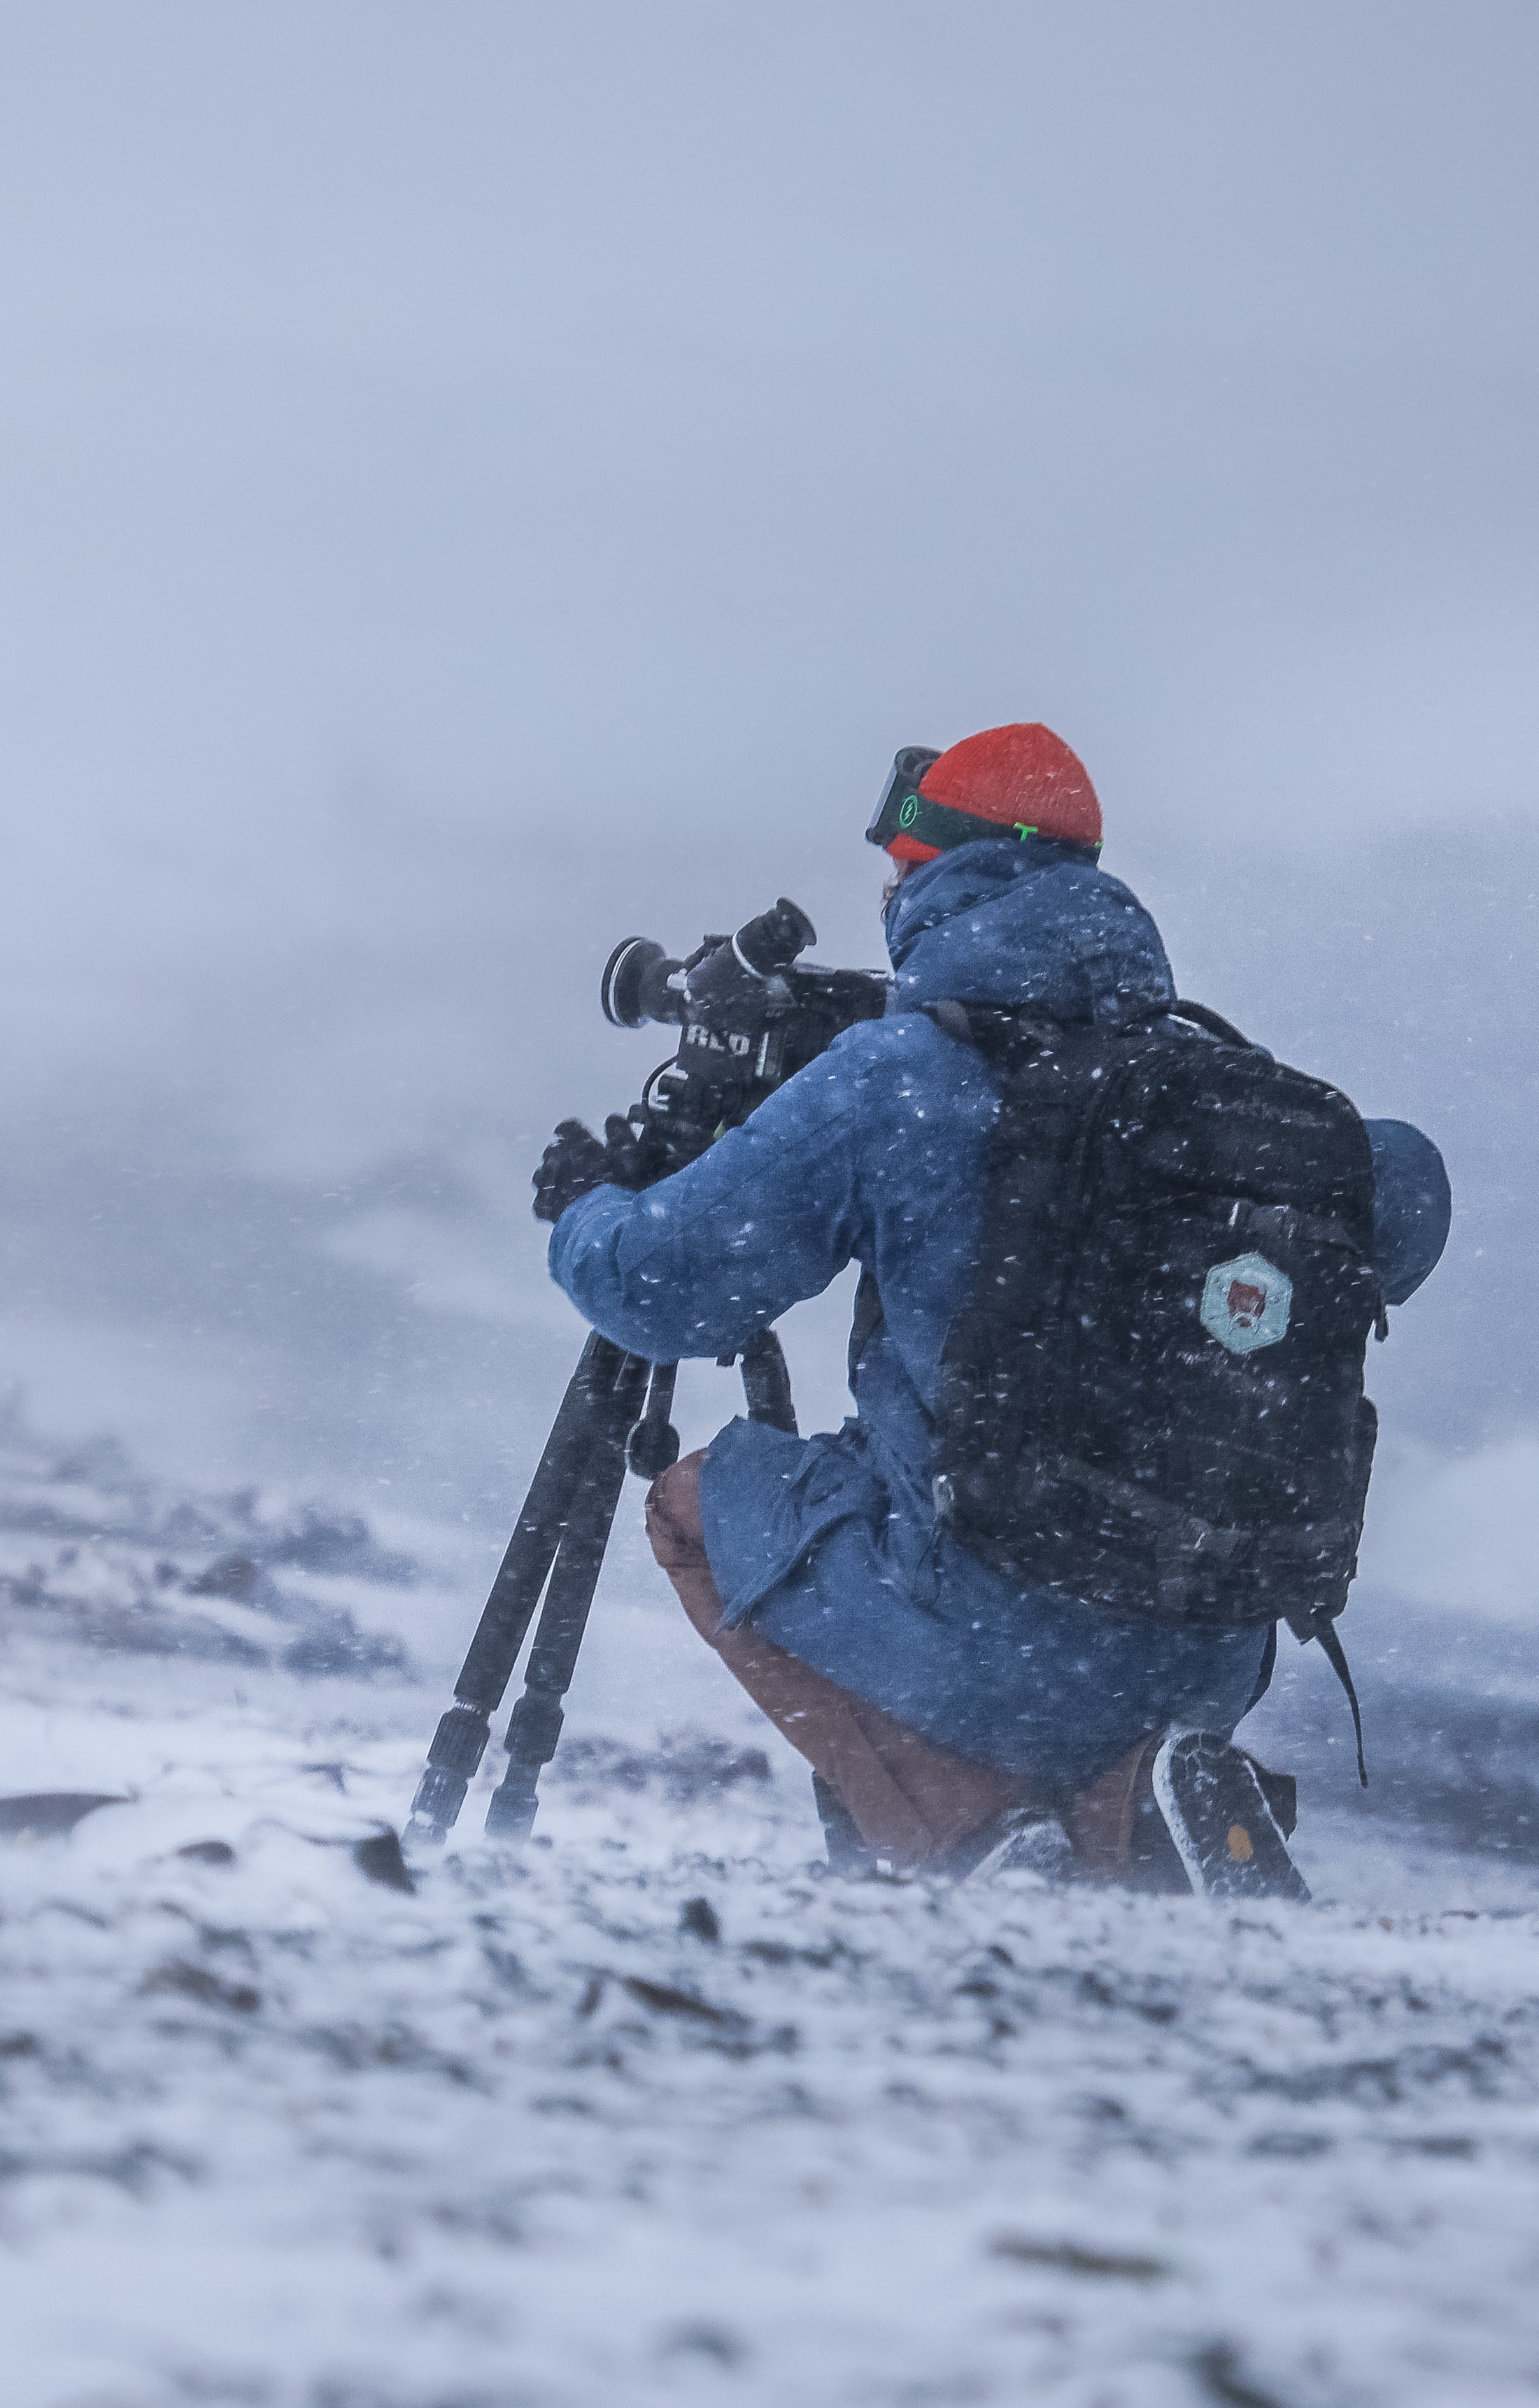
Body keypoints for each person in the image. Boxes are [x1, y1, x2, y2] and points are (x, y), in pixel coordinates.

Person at [527, 725, 1450, 1889]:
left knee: (695, 1501)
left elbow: (651, 1292)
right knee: (968, 1533)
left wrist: (587, 1204)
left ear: (921, 880)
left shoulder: (901, 1078)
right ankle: (1144, 1801)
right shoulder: (1210, 1087)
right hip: (1216, 1645)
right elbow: (1405, 1196)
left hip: (998, 1640)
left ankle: (981, 1839)